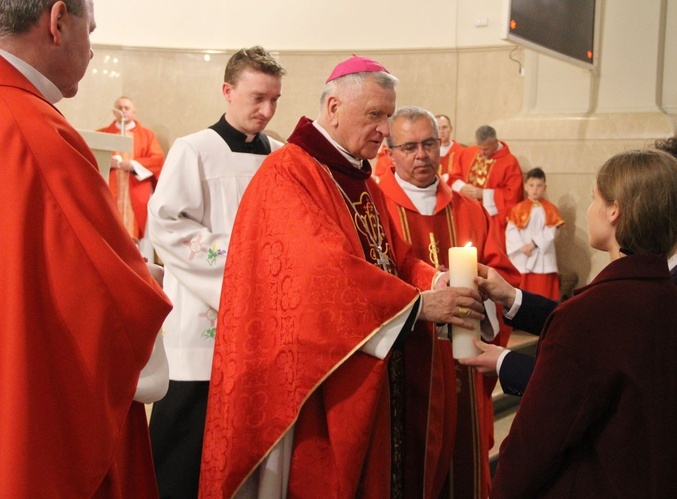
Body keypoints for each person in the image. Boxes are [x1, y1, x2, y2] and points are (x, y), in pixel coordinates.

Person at [199, 55, 485, 498]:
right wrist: (417, 306)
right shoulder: (289, 173)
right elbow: (319, 278)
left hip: (367, 366)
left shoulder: (362, 180)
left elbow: (396, 256)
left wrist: (432, 281)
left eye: (389, 116)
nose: (386, 130)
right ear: (333, 107)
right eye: (375, 114)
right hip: (317, 386)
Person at [464, 134, 677, 498]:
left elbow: (548, 429)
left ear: (615, 210)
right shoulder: (667, 287)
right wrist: (514, 298)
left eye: (595, 198)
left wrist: (506, 363)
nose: (588, 209)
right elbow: (602, 343)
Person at [0, 1, 172, 497]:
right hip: (35, 415)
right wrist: (151, 282)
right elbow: (111, 302)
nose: (93, 48)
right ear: (57, 21)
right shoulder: (37, 132)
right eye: (90, 29)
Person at [147, 46, 286, 499]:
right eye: (256, 97)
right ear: (227, 91)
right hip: (203, 319)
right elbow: (167, 225)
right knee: (185, 450)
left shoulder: (283, 157)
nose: (266, 110)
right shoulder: (194, 150)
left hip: (264, 319)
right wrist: (246, 261)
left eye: (275, 100)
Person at [378, 105, 521, 498]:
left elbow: (502, 277)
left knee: (463, 471)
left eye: (429, 143)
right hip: (403, 367)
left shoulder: (470, 210)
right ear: (388, 153)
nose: (421, 154)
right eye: (408, 147)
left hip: (463, 367)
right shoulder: (375, 209)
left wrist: (481, 300)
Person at [98, 95, 164, 259]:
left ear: (134, 112)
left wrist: (134, 165)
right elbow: (91, 157)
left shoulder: (147, 135)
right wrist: (108, 162)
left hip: (136, 190)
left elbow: (156, 160)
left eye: (127, 108)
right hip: (111, 189)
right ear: (114, 111)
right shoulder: (103, 133)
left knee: (139, 232)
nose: (123, 111)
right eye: (119, 107)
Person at [448, 125, 523, 250]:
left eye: (486, 149)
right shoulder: (468, 153)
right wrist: (462, 187)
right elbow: (453, 177)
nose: (482, 153)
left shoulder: (510, 162)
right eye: (480, 148)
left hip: (493, 220)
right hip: (467, 215)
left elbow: (513, 195)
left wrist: (483, 194)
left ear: (495, 142)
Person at [506, 167, 564, 299]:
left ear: (545, 187)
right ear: (525, 187)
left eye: (539, 185)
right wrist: (522, 247)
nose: (535, 189)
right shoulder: (517, 209)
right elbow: (511, 231)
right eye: (531, 185)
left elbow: (550, 231)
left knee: (543, 293)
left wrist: (533, 244)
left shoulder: (550, 209)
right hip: (522, 257)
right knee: (522, 294)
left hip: (542, 258)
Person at [435, 114, 464, 180]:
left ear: (450, 129)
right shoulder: (427, 152)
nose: (441, 131)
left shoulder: (461, 152)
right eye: (438, 128)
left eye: (444, 127)